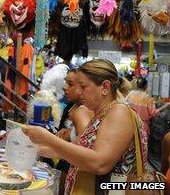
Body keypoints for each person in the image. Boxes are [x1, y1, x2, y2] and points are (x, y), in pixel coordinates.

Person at [22, 59, 147, 194]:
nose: (79, 91)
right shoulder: (99, 115)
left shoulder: (119, 112)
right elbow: (73, 150)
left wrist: (48, 139)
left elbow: (100, 164)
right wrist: (32, 149)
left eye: (83, 86)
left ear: (105, 87)